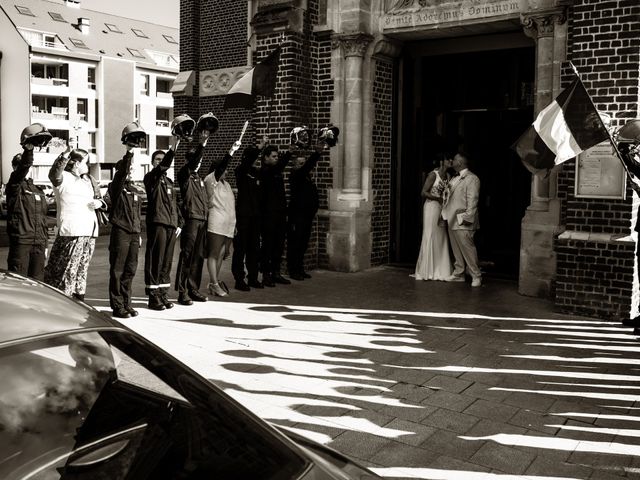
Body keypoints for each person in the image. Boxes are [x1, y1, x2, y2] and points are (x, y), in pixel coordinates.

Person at [45, 143, 105, 300]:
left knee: (81, 270)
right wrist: (65, 154)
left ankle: (79, 301)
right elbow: (54, 174)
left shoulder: (87, 180)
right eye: (86, 162)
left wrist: (99, 203)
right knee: (66, 271)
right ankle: (64, 304)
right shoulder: (63, 178)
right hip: (72, 232)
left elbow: (100, 199)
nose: (88, 165)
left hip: (89, 232)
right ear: (77, 163)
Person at [5, 124, 52, 280]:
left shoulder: (38, 190)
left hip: (38, 242)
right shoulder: (14, 186)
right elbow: (22, 169)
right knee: (19, 282)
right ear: (15, 167)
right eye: (21, 165)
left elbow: (43, 219)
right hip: (22, 242)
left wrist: (44, 244)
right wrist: (28, 150)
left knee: (38, 284)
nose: (27, 168)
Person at [106, 143, 142, 318]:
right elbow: (121, 175)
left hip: (134, 234)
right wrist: (130, 153)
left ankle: (127, 303)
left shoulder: (134, 190)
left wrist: (139, 234)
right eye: (130, 167)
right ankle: (117, 305)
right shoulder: (116, 187)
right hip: (121, 233)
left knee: (130, 270)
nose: (132, 170)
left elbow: (136, 214)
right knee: (118, 270)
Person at [144, 144, 182, 311]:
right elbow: (162, 167)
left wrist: (179, 223)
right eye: (157, 160)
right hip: (158, 223)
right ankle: (153, 297)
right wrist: (172, 151)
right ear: (152, 163)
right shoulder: (151, 178)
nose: (160, 163)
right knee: (156, 260)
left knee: (166, 261)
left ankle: (163, 293)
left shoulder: (169, 182)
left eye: (162, 159)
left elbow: (174, 204)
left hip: (171, 225)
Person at [175, 129, 210, 305]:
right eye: (197, 160)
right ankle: (182, 292)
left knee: (198, 256)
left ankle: (193, 288)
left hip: (202, 220)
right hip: (191, 220)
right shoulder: (184, 175)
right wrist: (202, 144)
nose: (199, 163)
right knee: (187, 255)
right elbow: (194, 161)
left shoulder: (199, 179)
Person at [204, 139, 242, 297]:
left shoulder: (226, 184)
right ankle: (213, 283)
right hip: (216, 224)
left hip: (228, 225)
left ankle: (215, 281)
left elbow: (231, 206)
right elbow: (221, 168)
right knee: (213, 254)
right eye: (224, 169)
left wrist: (235, 225)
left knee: (220, 254)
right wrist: (231, 152)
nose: (226, 171)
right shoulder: (210, 180)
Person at [440, 151, 482, 287]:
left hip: (463, 219)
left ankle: (476, 276)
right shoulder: (453, 178)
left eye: (455, 159)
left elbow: (473, 200)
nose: (452, 161)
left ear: (461, 162)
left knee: (468, 249)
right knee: (456, 249)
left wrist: (466, 218)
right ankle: (459, 273)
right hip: (451, 218)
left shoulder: (472, 178)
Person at [232, 137, 266, 291]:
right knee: (241, 249)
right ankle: (239, 279)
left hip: (255, 216)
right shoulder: (240, 171)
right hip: (243, 216)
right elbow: (246, 163)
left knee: (254, 248)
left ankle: (253, 277)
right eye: (250, 157)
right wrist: (259, 149)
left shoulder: (257, 173)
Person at [286, 140, 324, 281]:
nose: (302, 166)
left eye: (303, 163)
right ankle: (293, 270)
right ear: (295, 166)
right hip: (297, 216)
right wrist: (316, 153)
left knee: (303, 244)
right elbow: (306, 168)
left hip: (307, 216)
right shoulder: (295, 176)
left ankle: (300, 268)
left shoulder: (307, 178)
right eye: (299, 164)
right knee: (295, 244)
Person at [414, 153, 454, 281]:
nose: (451, 161)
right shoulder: (433, 175)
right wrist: (438, 198)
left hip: (442, 208)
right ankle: (428, 270)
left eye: (452, 159)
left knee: (441, 236)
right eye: (449, 159)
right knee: (430, 234)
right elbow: (423, 192)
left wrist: (445, 199)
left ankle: (442, 269)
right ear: (442, 161)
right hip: (431, 207)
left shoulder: (448, 176)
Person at [260, 144, 291, 287]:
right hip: (268, 215)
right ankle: (266, 275)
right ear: (265, 158)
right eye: (274, 156)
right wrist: (289, 153)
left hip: (280, 214)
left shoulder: (276, 172)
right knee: (268, 245)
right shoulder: (265, 171)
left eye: (277, 156)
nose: (276, 158)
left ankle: (276, 273)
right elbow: (278, 167)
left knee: (279, 244)